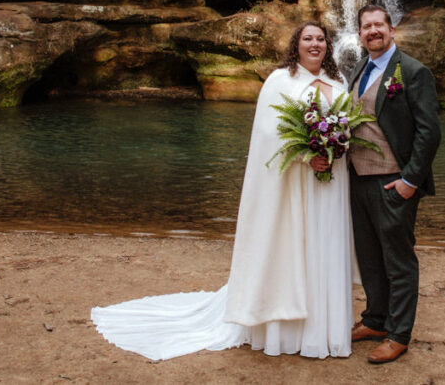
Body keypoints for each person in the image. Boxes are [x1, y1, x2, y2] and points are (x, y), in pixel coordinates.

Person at [91, 21, 353, 360]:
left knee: (325, 246)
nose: (315, 44)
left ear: (327, 45)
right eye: (307, 39)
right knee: (297, 245)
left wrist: (337, 147)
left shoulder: (340, 81)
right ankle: (290, 331)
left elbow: (349, 122)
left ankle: (326, 327)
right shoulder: (280, 81)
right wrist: (306, 156)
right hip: (296, 184)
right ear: (296, 45)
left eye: (320, 39)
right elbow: (268, 135)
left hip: (332, 183)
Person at [336, 3, 441, 364]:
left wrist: (410, 180)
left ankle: (399, 333)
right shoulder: (360, 68)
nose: (373, 32)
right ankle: (376, 320)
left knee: (398, 261)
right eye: (366, 27)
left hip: (393, 183)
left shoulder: (413, 71)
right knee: (369, 258)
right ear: (360, 34)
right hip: (358, 181)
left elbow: (429, 133)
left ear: (391, 29)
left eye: (379, 25)